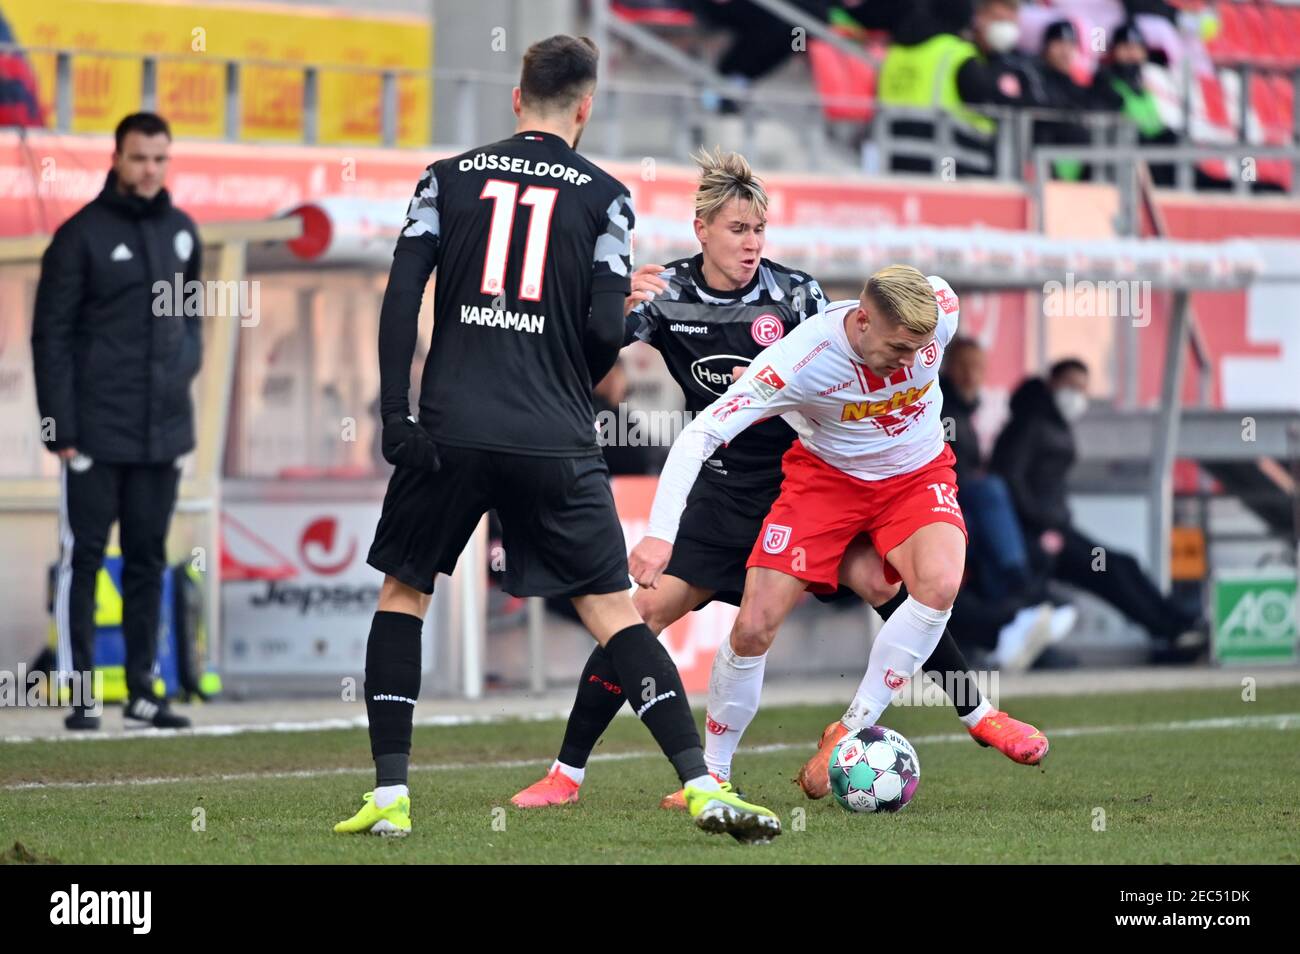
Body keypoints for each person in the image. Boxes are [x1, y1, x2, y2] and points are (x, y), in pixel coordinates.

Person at [332, 36, 780, 843]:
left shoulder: (445, 177)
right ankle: (705, 788)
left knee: (405, 593)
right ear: (585, 107)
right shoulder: (605, 195)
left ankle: (391, 798)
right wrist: (564, 370)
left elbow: (402, 296)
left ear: (515, 98)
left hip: (451, 429)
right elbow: (606, 332)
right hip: (554, 434)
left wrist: (396, 411)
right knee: (615, 614)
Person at [512, 154, 1049, 812]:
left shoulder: (798, 296)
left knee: (895, 586)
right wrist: (607, 302)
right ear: (702, 227)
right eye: (738, 228)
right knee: (643, 616)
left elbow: (855, 363)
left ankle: (975, 713)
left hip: (809, 475)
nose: (752, 242)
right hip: (729, 490)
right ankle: (569, 773)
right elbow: (590, 352)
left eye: (760, 228)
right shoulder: (666, 295)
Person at [626, 265, 1052, 799]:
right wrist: (660, 533)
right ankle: (714, 774)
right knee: (754, 625)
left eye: (918, 350)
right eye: (898, 347)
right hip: (826, 483)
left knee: (939, 583)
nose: (907, 362)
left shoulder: (941, 306)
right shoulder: (798, 360)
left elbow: (923, 329)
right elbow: (699, 435)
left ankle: (853, 728)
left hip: (915, 473)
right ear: (863, 320)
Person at [32, 112, 201, 731]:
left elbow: (191, 324)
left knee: (148, 560)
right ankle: (81, 695)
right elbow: (49, 336)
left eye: (160, 158)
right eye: (139, 158)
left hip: (162, 434)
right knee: (85, 558)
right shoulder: (80, 237)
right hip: (94, 435)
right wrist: (61, 429)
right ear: (117, 159)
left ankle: (142, 691)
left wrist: (182, 391)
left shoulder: (184, 232)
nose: (150, 169)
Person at [990, 358, 1207, 660]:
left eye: (1082, 388)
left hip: (1056, 529)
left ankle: (1176, 623)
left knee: (1123, 564)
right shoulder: (1030, 422)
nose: (1077, 394)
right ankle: (1171, 631)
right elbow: (1009, 479)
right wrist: (1042, 524)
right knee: (1112, 570)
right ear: (1051, 382)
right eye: (1070, 385)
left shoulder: (1051, 421)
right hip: (1040, 535)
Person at [940, 337, 1076, 669]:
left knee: (1011, 543)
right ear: (947, 368)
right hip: (937, 507)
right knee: (991, 494)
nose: (971, 375)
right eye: (964, 366)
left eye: (978, 367)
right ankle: (1020, 599)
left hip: (959, 509)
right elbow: (950, 472)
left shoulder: (963, 412)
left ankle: (1018, 627)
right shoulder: (941, 407)